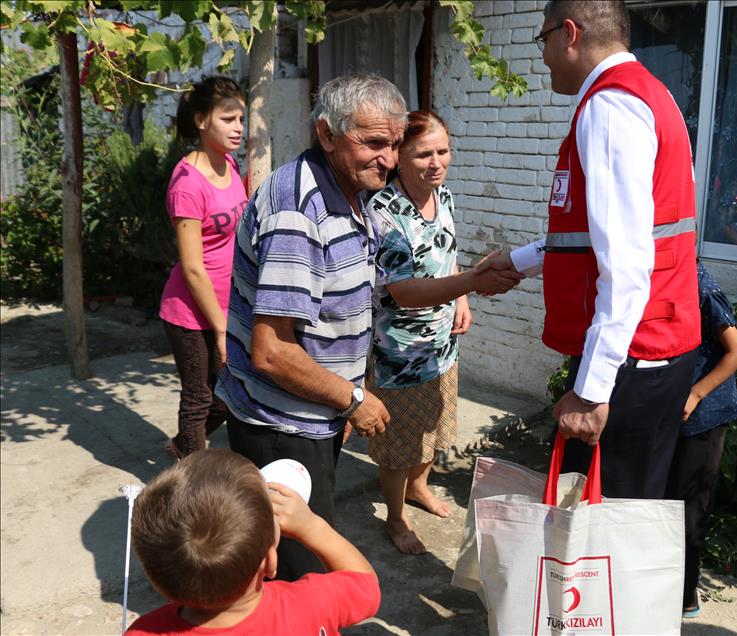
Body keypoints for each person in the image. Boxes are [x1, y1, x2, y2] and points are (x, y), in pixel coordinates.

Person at [485, 0, 701, 499]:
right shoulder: (650, 93)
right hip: (653, 345)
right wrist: (515, 263)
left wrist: (591, 389)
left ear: (569, 33)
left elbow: (624, 260)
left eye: (542, 41)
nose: (542, 59)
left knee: (607, 528)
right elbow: (599, 236)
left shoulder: (610, 105)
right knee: (629, 512)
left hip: (632, 357)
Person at [214, 74, 403, 581]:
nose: (389, 158)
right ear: (326, 134)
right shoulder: (299, 212)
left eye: (395, 144)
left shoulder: (349, 188)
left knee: (290, 554)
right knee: (303, 571)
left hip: (310, 412)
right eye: (375, 143)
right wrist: (353, 400)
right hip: (281, 424)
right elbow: (272, 352)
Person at [367, 111, 522, 554]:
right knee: (399, 443)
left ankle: (419, 488)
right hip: (399, 351)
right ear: (398, 156)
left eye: (443, 151)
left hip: (441, 344)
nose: (436, 163)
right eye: (423, 154)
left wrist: (461, 298)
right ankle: (395, 517)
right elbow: (404, 291)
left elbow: (446, 253)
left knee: (432, 429)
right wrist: (473, 282)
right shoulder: (384, 211)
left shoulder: (445, 196)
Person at [126, 449, 380, 635]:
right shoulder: (310, 603)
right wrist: (312, 526)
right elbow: (365, 585)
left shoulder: (144, 632)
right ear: (271, 561)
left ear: (156, 581)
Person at [158, 76, 248, 460]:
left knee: (228, 397)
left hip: (228, 304)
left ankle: (181, 447)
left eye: (241, 119)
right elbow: (193, 268)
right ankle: (193, 484)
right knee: (199, 399)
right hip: (190, 311)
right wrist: (222, 327)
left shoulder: (228, 164)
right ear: (201, 120)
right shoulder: (187, 184)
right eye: (228, 119)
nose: (238, 128)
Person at [666, 262, 737, 618]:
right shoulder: (653, 276)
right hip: (667, 411)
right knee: (660, 503)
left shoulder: (700, 284)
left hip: (704, 414)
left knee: (689, 508)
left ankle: (686, 594)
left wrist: (696, 393)